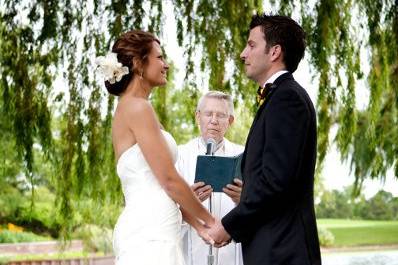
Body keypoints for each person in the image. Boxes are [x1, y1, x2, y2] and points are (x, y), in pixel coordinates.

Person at [208, 13, 322, 265]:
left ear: (274, 52)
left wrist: (228, 225)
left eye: (251, 45)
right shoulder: (280, 97)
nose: (242, 54)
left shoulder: (286, 99)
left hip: (283, 251)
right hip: (274, 248)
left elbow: (275, 183)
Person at [96, 30, 215, 265]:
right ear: (139, 63)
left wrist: (198, 226)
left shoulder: (136, 108)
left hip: (158, 226)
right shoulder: (138, 108)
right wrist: (212, 222)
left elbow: (162, 184)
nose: (166, 65)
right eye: (160, 57)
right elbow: (170, 181)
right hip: (150, 233)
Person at [176, 91, 244, 265]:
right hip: (191, 248)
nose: (214, 120)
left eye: (221, 115)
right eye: (208, 114)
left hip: (231, 250)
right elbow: (168, 205)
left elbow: (258, 203)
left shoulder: (243, 155)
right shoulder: (180, 155)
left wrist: (243, 198)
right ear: (198, 117)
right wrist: (189, 201)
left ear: (230, 121)